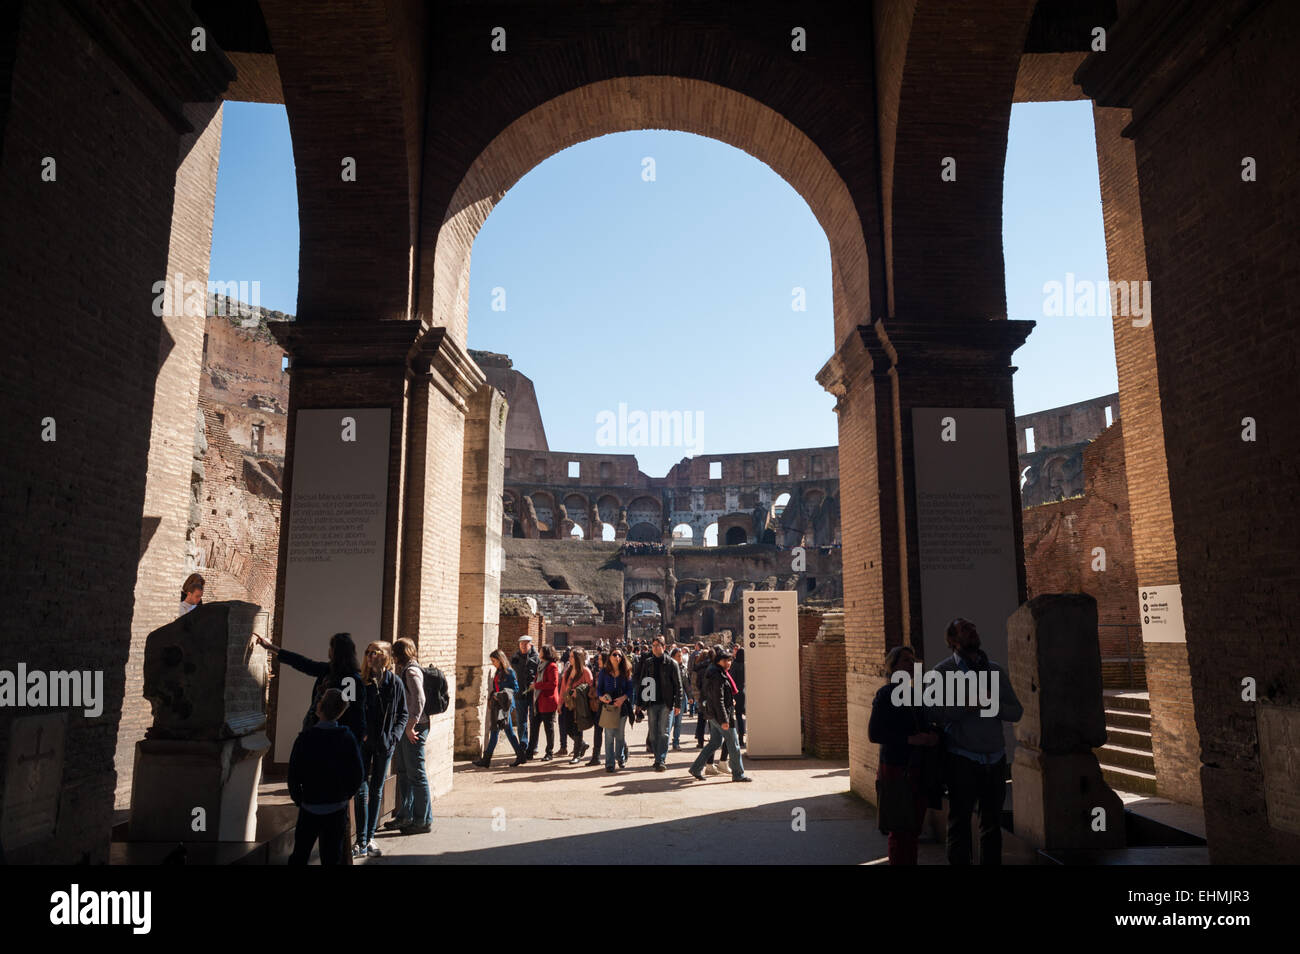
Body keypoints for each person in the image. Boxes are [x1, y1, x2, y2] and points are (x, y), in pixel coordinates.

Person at [928, 618, 1023, 865]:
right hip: (962, 758)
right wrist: (965, 706)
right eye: (965, 629)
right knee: (959, 823)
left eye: (973, 628)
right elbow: (933, 713)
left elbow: (1016, 712)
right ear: (953, 640)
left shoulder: (995, 671)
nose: (972, 631)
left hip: (995, 757)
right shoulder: (942, 672)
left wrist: (992, 705)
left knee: (992, 824)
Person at [868, 645, 941, 865]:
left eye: (913, 660)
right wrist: (911, 739)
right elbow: (875, 733)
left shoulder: (916, 693)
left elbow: (929, 723)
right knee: (901, 830)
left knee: (913, 829)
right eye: (905, 661)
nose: (911, 665)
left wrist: (933, 736)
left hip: (918, 767)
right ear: (893, 666)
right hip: (897, 769)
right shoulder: (886, 694)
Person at [288, 688, 364, 865]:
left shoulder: (305, 738)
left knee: (300, 854)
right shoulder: (347, 738)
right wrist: (346, 795)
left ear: (319, 708)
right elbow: (357, 773)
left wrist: (299, 797)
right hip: (336, 806)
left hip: (310, 805)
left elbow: (293, 772)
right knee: (331, 857)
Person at [257, 632, 365, 747]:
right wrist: (271, 647)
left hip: (334, 738)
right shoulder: (331, 671)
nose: (329, 651)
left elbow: (354, 713)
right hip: (326, 731)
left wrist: (353, 741)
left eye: (331, 648)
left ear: (335, 652)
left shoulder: (349, 679)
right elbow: (301, 662)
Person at [351, 640, 407, 857]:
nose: (369, 656)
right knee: (361, 789)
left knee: (376, 790)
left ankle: (370, 837)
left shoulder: (394, 683)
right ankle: (361, 840)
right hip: (363, 744)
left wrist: (394, 737)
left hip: (385, 744)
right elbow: (347, 710)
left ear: (385, 656)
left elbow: (403, 713)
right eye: (367, 652)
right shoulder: (357, 681)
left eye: (374, 652)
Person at [689, 648, 751, 782]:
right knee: (734, 744)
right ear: (719, 661)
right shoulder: (718, 675)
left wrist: (730, 700)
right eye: (725, 660)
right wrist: (724, 720)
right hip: (720, 715)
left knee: (715, 742)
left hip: (713, 713)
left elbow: (717, 696)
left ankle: (696, 768)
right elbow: (718, 699)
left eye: (729, 660)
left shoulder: (716, 672)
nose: (728, 663)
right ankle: (738, 774)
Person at [391, 637, 433, 835]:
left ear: (399, 654)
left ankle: (422, 821)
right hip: (406, 727)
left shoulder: (411, 671)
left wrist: (411, 725)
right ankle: (405, 815)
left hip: (414, 727)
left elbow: (419, 698)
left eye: (394, 653)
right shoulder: (406, 669)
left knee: (416, 774)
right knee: (405, 773)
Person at [636, 636, 682, 771]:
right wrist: (639, 703)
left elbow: (678, 685)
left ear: (664, 647)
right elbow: (643, 682)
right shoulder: (648, 662)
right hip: (651, 702)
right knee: (653, 734)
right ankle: (657, 757)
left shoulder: (671, 663)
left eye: (658, 645)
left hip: (666, 703)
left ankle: (660, 759)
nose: (655, 647)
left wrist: (678, 704)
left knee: (664, 732)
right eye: (653, 645)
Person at [474, 649, 525, 768]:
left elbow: (515, 689)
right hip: (498, 706)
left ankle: (486, 760)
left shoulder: (510, 672)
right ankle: (520, 755)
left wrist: (501, 694)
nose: (493, 663)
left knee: (496, 732)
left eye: (494, 660)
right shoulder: (498, 671)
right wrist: (494, 694)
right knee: (506, 731)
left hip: (504, 707)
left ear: (500, 659)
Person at [596, 649, 633, 773]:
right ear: (610, 657)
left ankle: (620, 757)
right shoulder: (604, 672)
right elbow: (599, 689)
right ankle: (610, 763)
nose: (617, 657)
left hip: (622, 707)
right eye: (614, 654)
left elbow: (630, 690)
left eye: (619, 655)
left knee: (620, 735)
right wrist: (602, 697)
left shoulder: (626, 672)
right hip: (609, 708)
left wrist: (623, 698)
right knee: (609, 735)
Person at [527, 645, 561, 761]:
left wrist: (536, 685)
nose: (538, 652)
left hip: (548, 701)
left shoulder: (552, 666)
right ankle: (530, 751)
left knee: (548, 728)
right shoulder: (541, 665)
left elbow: (553, 684)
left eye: (540, 651)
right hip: (538, 701)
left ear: (545, 653)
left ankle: (549, 752)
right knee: (534, 727)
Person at [561, 648, 593, 763]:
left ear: (578, 658)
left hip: (580, 705)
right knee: (567, 727)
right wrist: (560, 703)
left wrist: (579, 691)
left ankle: (576, 755)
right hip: (568, 703)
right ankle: (582, 745)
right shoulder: (568, 671)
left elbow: (591, 687)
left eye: (572, 657)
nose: (569, 659)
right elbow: (563, 688)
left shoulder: (585, 671)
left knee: (578, 729)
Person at [511, 636, 540, 756]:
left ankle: (533, 746)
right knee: (521, 720)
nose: (523, 646)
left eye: (525, 644)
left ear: (530, 645)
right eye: (521, 644)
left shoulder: (536, 658)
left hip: (533, 693)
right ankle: (523, 745)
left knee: (534, 720)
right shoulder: (515, 657)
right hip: (519, 693)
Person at [585, 651, 609, 766]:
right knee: (598, 731)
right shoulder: (598, 672)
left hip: (607, 706)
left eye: (599, 659)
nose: (597, 661)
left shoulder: (608, 673)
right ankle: (596, 756)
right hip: (599, 705)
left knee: (611, 731)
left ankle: (623, 750)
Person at [691, 647, 713, 748]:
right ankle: (713, 741)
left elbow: (695, 684)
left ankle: (700, 742)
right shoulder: (712, 668)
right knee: (712, 720)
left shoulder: (697, 668)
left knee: (701, 720)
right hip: (711, 697)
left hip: (701, 697)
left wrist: (697, 697)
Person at [669, 647, 688, 750]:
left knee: (678, 722)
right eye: (678, 656)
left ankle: (676, 742)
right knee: (669, 723)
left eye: (681, 656)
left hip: (681, 698)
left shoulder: (684, 668)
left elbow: (686, 684)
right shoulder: (668, 667)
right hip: (671, 698)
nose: (680, 658)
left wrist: (690, 696)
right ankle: (664, 743)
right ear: (673, 657)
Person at [731, 646, 747, 747]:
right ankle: (743, 738)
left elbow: (731, 679)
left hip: (737, 692)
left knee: (738, 715)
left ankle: (739, 738)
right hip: (746, 691)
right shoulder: (746, 665)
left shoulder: (734, 665)